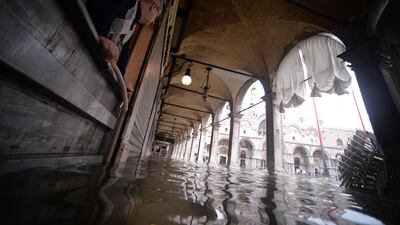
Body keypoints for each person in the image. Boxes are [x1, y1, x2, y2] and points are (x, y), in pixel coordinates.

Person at [86, 0, 164, 84]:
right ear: (153, 7)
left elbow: (123, 52)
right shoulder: (126, 2)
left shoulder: (132, 26)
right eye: (156, 16)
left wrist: (122, 81)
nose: (152, 21)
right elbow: (98, 16)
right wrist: (103, 37)